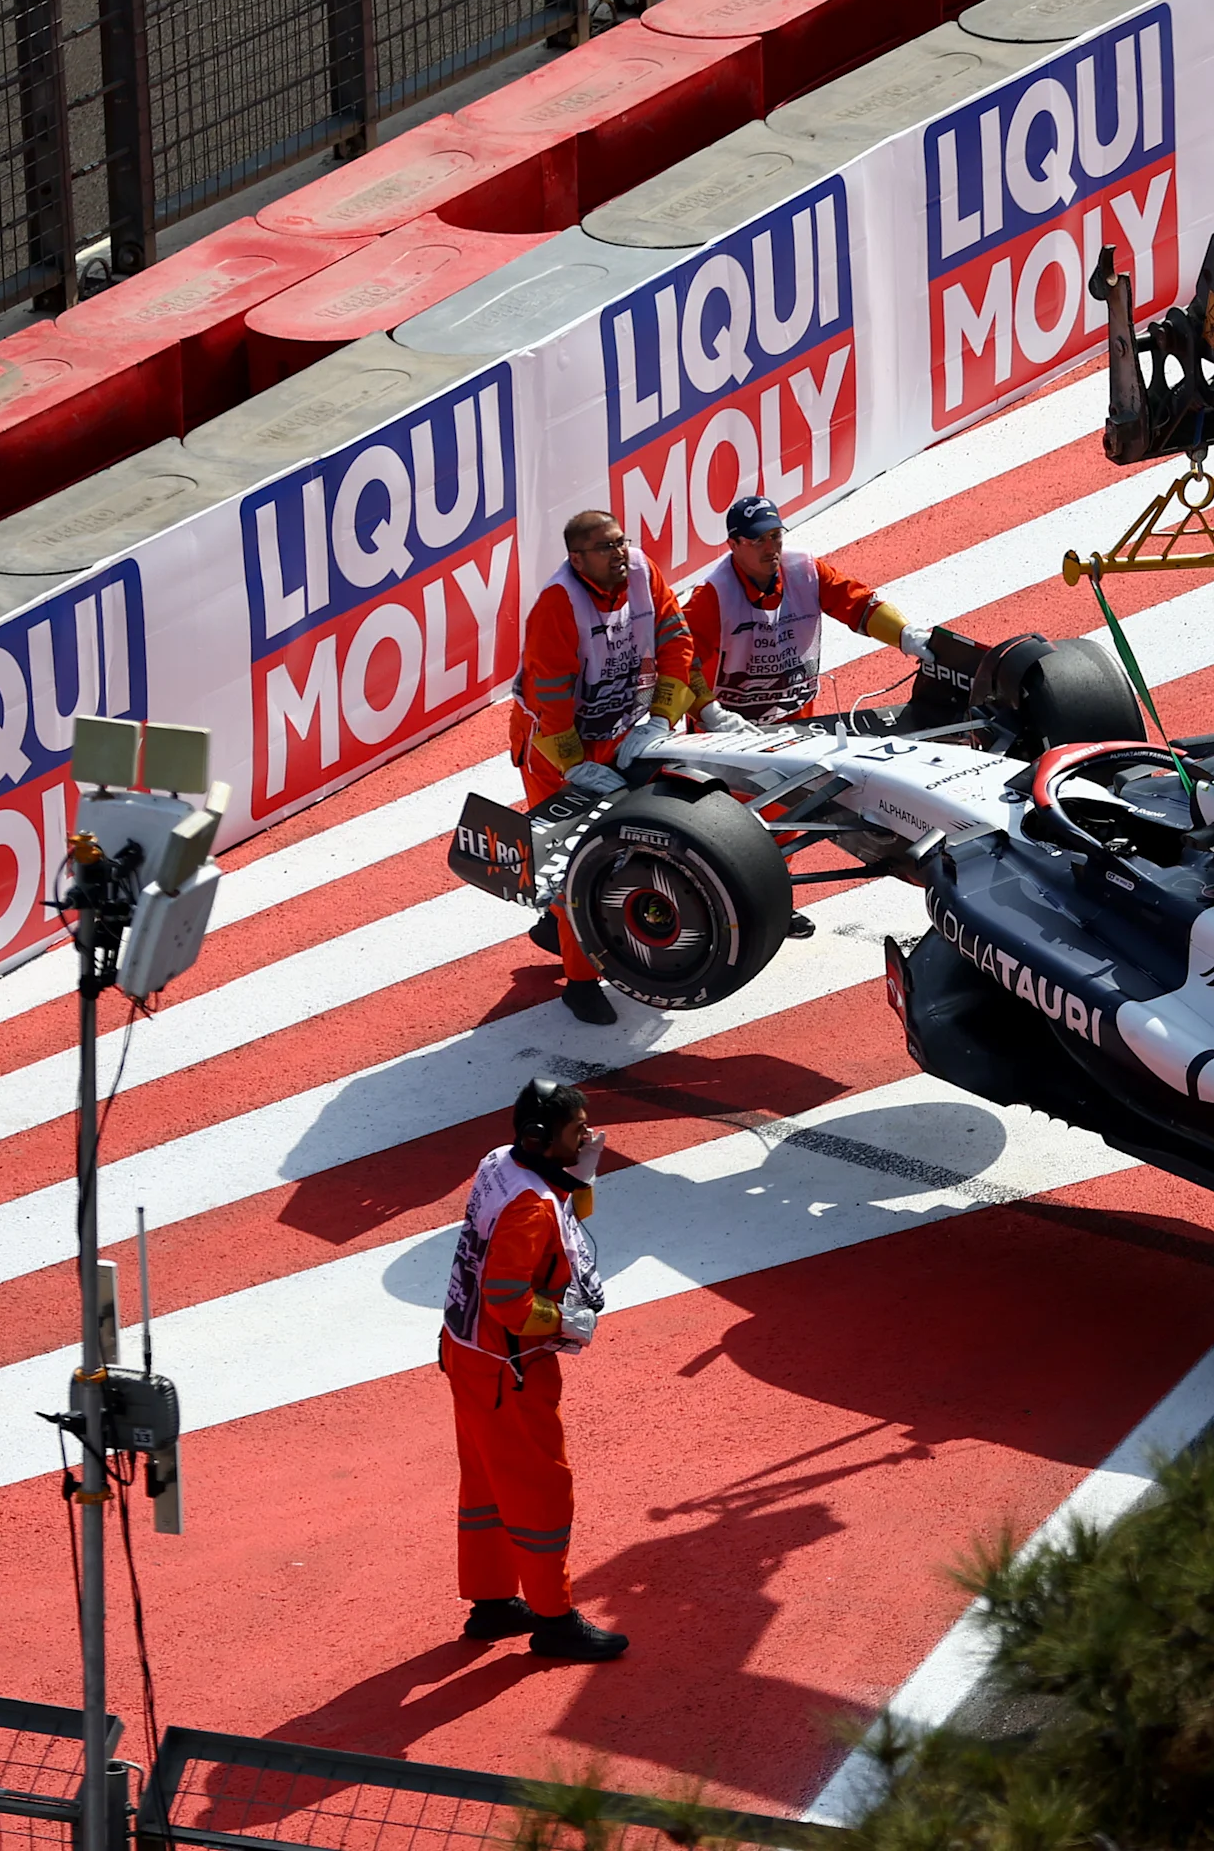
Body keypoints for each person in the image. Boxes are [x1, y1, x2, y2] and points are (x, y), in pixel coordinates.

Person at [441, 1076, 630, 1662]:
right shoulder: (529, 1209)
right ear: (539, 1138)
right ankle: (554, 1620)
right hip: (509, 1371)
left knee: (485, 1484)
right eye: (578, 1133)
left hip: (468, 1353)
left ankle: (493, 1604)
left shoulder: (501, 1162)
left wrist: (582, 1168)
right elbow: (510, 1300)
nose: (590, 1138)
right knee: (541, 1490)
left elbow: (551, 1205)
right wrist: (567, 1320)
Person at [514, 510, 697, 1024]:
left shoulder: (643, 572)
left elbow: (676, 643)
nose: (620, 553)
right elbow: (549, 698)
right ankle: (579, 982)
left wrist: (660, 718)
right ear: (577, 560)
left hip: (622, 729)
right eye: (605, 547)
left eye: (621, 542)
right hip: (555, 746)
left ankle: (557, 928)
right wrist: (574, 766)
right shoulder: (556, 605)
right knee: (576, 861)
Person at [678, 495, 908, 728]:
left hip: (797, 727)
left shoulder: (806, 572)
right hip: (726, 733)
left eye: (775, 536)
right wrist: (712, 714)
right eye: (758, 540)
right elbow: (679, 662)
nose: (770, 548)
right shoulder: (712, 596)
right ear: (733, 545)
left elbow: (858, 605)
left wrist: (907, 636)